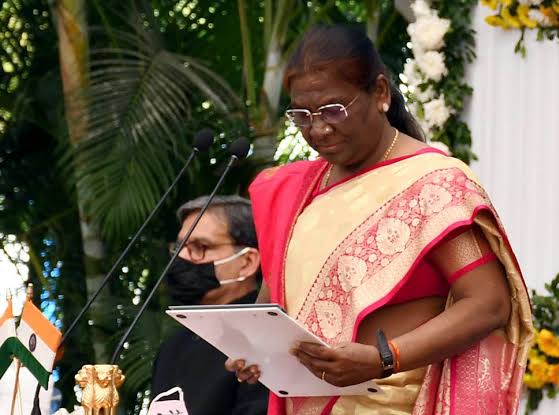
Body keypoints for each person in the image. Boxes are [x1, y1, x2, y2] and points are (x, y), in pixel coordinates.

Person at [227, 25, 534, 415]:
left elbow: (489, 303)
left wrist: (384, 358)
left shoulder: (432, 184)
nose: (318, 128)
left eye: (333, 110)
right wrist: (254, 349)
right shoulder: (298, 190)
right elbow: (274, 303)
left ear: (381, 93)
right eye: (302, 114)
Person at [152, 195, 269, 415]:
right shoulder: (173, 346)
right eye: (179, 247)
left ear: (247, 262)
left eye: (200, 247)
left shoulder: (267, 338)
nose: (182, 257)